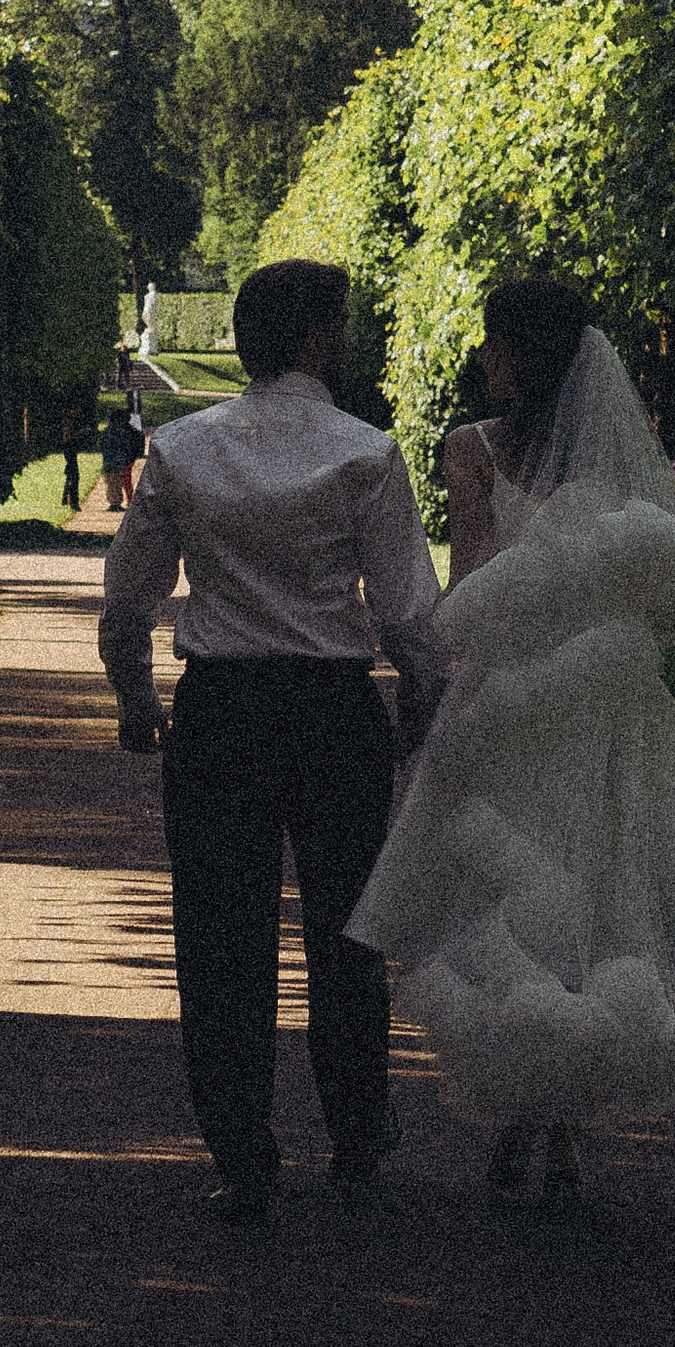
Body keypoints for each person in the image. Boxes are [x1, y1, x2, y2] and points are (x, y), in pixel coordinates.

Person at [348, 276, 675, 1209]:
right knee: (596, 892)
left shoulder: (470, 450)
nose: (483, 356)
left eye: (494, 340)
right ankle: (561, 1130)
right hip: (598, 701)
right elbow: (670, 589)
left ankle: (527, 1105)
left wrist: (436, 689)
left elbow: (470, 586)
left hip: (507, 704)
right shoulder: (615, 458)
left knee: (510, 900)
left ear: (524, 352)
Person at [100, 256, 448, 1225]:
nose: (349, 339)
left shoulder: (183, 451)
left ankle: (241, 1153)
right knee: (348, 935)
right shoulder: (367, 453)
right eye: (341, 325)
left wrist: (136, 698)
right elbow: (409, 615)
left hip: (222, 712)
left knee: (220, 940)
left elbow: (127, 597)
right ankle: (356, 1134)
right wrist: (419, 705)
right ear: (314, 338)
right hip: (333, 712)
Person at [98, 404, 144, 513]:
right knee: (118, 481)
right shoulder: (125, 432)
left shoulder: (109, 432)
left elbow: (102, 445)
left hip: (113, 461)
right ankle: (119, 502)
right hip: (121, 460)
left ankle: (115, 502)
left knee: (113, 482)